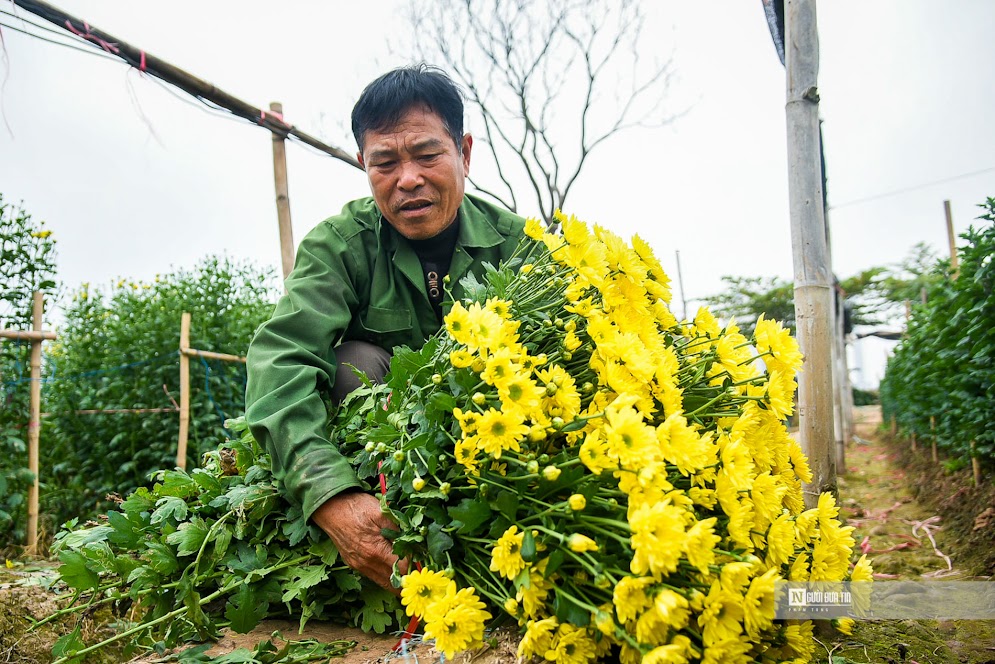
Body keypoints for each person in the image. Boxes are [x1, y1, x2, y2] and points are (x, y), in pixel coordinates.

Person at [244, 65, 525, 591]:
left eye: (426, 154)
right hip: (382, 464)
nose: (408, 178)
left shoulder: (517, 247)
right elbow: (279, 361)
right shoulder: (340, 245)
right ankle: (377, 523)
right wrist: (330, 496)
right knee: (355, 362)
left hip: (492, 450)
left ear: (463, 152)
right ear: (363, 165)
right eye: (385, 163)